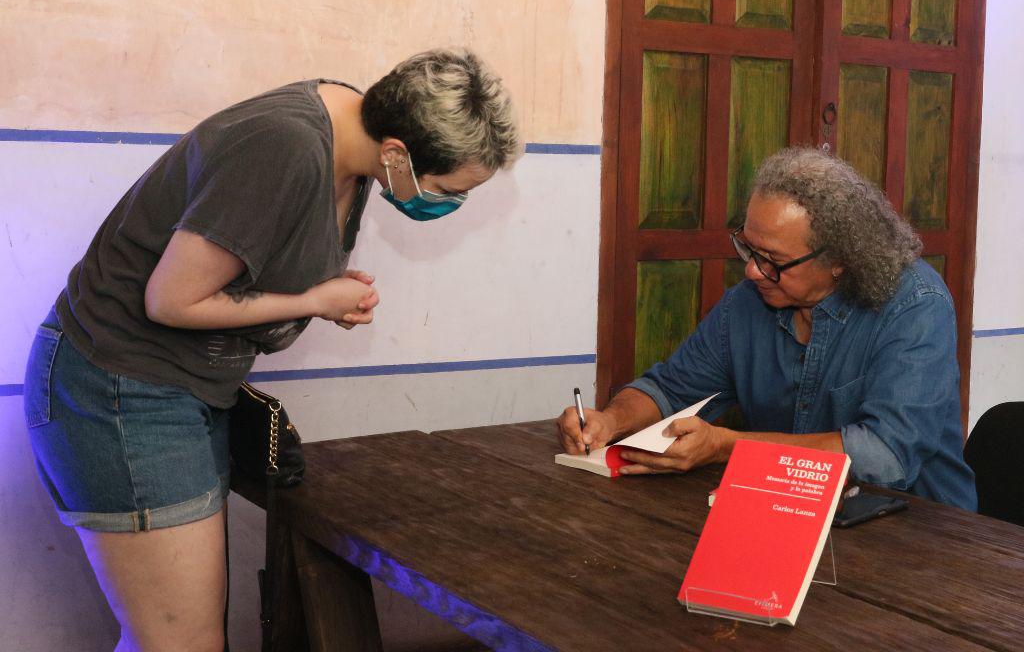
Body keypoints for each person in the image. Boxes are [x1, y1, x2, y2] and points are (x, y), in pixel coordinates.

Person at [24, 47, 519, 652]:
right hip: (120, 388)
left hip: (180, 391)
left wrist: (322, 296)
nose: (445, 204)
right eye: (446, 189)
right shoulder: (284, 145)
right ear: (396, 153)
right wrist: (314, 300)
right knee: (181, 644)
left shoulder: (350, 135)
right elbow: (171, 301)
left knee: (176, 639)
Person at [558, 147, 976, 511]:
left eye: (772, 259)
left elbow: (887, 458)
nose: (753, 270)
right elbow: (671, 389)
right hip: (787, 513)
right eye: (748, 248)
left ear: (840, 259)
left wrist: (726, 446)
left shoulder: (914, 306)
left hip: (919, 535)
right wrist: (611, 421)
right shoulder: (749, 303)